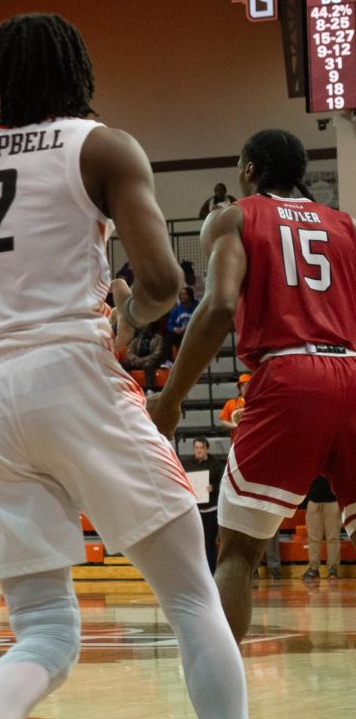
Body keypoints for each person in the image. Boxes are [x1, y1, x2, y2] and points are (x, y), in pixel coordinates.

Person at [0, 14, 246, 718]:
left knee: (46, 635)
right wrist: (118, 324)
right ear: (78, 74)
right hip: (74, 374)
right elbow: (161, 285)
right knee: (189, 597)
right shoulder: (101, 146)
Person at [147, 129, 356, 644]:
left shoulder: (234, 216)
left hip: (291, 374)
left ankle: (222, 696)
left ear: (247, 170)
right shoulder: (345, 225)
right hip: (352, 368)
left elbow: (218, 306)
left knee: (238, 552)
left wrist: (171, 397)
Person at [180, 438, 224, 573]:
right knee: (193, 544)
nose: (199, 450)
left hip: (210, 510)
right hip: (193, 510)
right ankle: (196, 572)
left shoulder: (216, 464)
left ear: (207, 449)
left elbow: (223, 485)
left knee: (209, 544)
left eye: (201, 448)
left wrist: (213, 488)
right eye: (196, 447)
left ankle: (211, 572)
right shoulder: (186, 464)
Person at [303, 477, 341, 581]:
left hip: (332, 502)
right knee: (313, 538)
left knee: (333, 537)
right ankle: (313, 567)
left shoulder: (334, 462)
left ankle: (333, 568)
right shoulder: (312, 462)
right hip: (313, 501)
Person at [121, 321, 166, 393]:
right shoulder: (138, 339)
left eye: (148, 327)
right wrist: (135, 359)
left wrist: (141, 360)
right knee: (123, 364)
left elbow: (157, 355)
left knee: (148, 365)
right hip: (137, 361)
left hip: (150, 362)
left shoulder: (158, 338)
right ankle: (123, 387)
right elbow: (129, 352)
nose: (146, 329)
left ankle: (150, 389)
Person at [166, 287, 198, 351]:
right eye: (181, 295)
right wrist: (175, 329)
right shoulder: (176, 309)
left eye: (185, 294)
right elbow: (169, 325)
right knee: (168, 337)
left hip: (194, 333)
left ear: (190, 295)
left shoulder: (197, 306)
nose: (182, 296)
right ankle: (169, 360)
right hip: (181, 334)